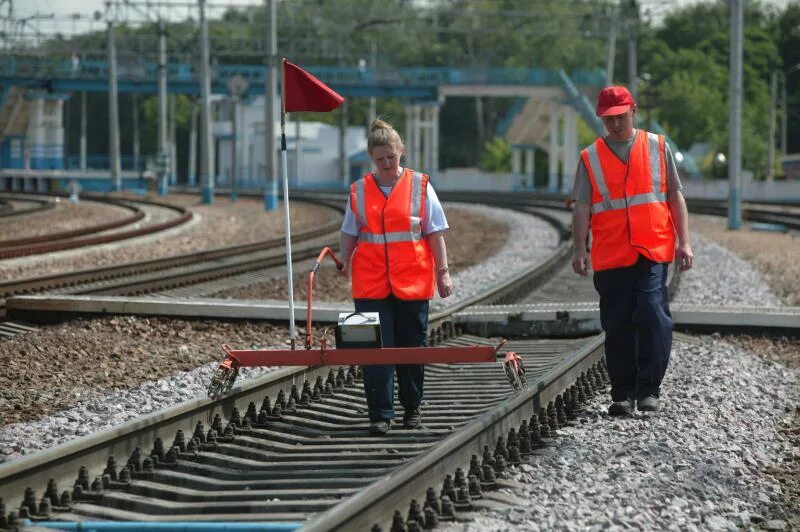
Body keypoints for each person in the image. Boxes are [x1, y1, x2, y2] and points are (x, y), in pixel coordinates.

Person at [570, 85, 694, 416]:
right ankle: (622, 393)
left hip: (652, 248)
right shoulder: (590, 157)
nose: (615, 125)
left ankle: (649, 389)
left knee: (653, 314)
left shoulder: (657, 147)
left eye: (621, 118)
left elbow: (674, 197)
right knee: (619, 322)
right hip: (611, 254)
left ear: (633, 111)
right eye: (609, 120)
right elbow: (582, 207)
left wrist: (685, 242)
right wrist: (579, 249)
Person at [339, 119, 454, 435]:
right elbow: (349, 231)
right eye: (380, 159)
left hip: (414, 282)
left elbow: (435, 233)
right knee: (370, 349)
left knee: (411, 348)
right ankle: (379, 413)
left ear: (401, 152)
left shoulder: (420, 185)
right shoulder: (359, 190)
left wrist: (443, 274)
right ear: (371, 160)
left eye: (391, 157)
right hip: (368, 283)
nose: (387, 164)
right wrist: (344, 262)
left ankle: (412, 408)